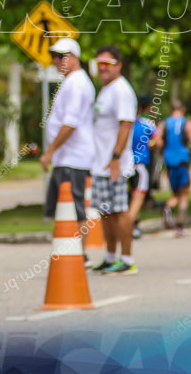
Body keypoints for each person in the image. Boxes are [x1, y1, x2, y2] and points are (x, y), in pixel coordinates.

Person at [39, 38, 96, 255]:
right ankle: (72, 254)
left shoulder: (77, 83)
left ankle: (80, 256)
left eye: (61, 56)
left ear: (74, 57)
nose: (56, 60)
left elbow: (70, 123)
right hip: (67, 158)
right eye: (54, 56)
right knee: (65, 210)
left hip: (74, 158)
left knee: (75, 209)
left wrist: (49, 152)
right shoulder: (72, 81)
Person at [89, 45, 138, 274]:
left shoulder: (121, 89)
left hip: (115, 163)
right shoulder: (106, 89)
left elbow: (126, 124)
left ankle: (127, 260)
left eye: (107, 64)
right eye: (99, 64)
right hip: (100, 163)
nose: (102, 68)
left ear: (118, 65)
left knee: (119, 211)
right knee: (105, 212)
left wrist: (116, 156)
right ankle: (110, 257)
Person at [155, 100, 191, 237]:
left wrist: (163, 151)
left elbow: (158, 140)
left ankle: (167, 207)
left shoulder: (164, 123)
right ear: (183, 110)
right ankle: (179, 226)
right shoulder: (187, 123)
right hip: (182, 160)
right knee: (184, 195)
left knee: (175, 193)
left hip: (169, 161)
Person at [127, 97, 158, 240]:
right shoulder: (147, 124)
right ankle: (128, 226)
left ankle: (134, 225)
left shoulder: (122, 124)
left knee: (128, 198)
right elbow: (157, 141)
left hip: (123, 166)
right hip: (139, 165)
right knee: (138, 197)